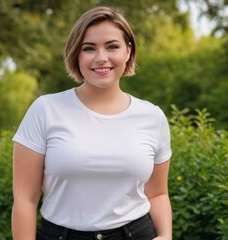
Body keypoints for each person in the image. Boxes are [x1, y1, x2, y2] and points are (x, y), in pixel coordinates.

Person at [12, 6, 172, 240]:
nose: (101, 57)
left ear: (128, 51)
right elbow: (25, 199)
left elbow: (157, 194)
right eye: (89, 48)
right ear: (76, 55)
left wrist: (166, 235)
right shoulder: (45, 110)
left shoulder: (152, 117)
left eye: (112, 46)